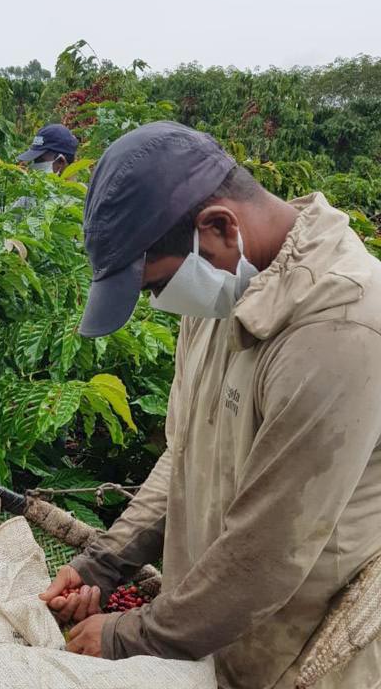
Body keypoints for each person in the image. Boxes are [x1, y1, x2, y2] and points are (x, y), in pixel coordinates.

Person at [39, 121, 381, 688]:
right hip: (207, 643)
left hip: (299, 660)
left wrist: (129, 636)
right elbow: (185, 454)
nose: (159, 302)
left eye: (156, 286)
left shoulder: (342, 329)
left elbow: (268, 555)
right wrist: (103, 561)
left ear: (219, 227)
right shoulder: (222, 289)